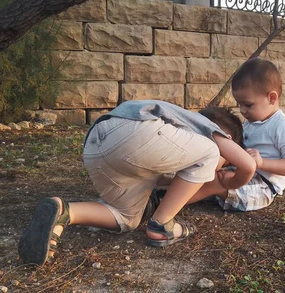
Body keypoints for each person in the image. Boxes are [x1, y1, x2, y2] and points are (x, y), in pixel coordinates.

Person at [18, 101, 255, 265]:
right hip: (135, 130)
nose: (217, 171)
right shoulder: (208, 129)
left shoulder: (176, 143)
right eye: (225, 164)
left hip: (96, 146)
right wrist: (231, 181)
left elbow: (159, 176)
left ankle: (66, 212)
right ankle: (162, 225)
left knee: (127, 218)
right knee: (210, 153)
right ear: (228, 139)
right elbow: (248, 166)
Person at [188, 57, 285, 211]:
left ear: (272, 98)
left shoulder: (283, 126)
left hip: (262, 187)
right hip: (241, 173)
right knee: (204, 173)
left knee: (215, 183)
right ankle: (168, 189)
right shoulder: (250, 123)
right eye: (239, 104)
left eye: (248, 104)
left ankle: (162, 202)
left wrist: (261, 163)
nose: (242, 110)